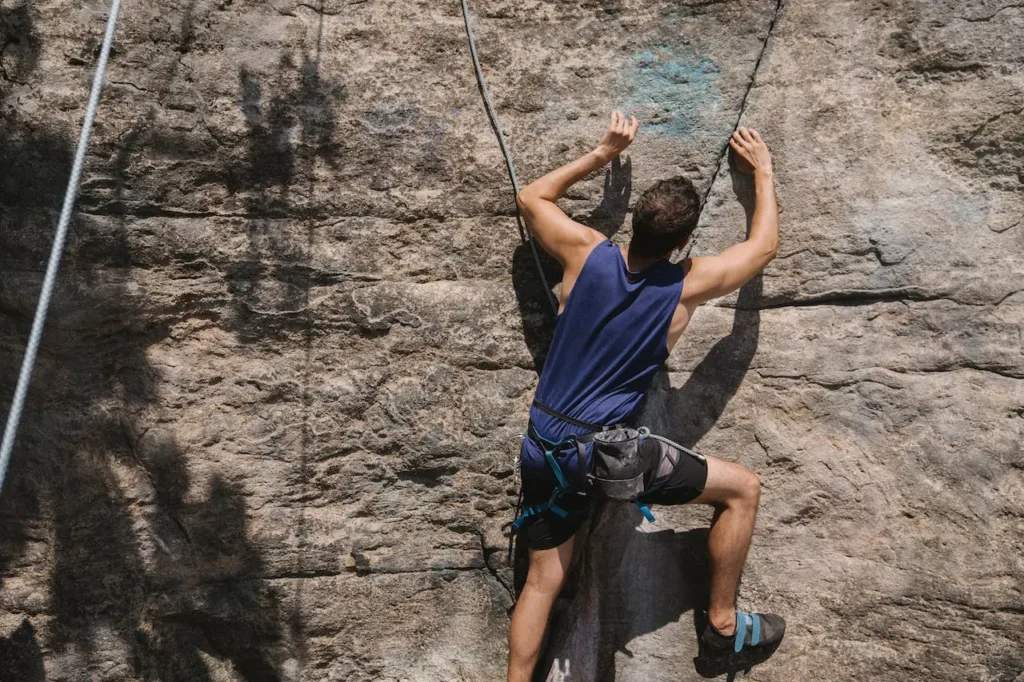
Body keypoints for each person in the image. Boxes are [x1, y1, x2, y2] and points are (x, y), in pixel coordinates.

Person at [507, 112, 784, 681]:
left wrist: (603, 153)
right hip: (605, 456)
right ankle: (723, 631)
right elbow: (761, 249)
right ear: (683, 243)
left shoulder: (586, 252)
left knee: (542, 580)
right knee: (743, 491)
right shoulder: (685, 287)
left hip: (543, 446)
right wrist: (762, 173)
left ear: (634, 224)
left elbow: (532, 197)